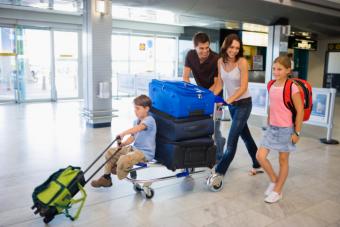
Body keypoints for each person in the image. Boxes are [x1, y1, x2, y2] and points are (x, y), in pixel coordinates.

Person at [208, 34, 262, 187]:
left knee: (232, 140)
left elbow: (244, 87)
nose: (234, 50)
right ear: (226, 46)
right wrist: (209, 96)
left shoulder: (242, 62)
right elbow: (220, 84)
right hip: (232, 105)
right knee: (246, 136)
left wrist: (228, 100)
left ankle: (219, 173)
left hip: (244, 104)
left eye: (237, 48)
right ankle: (257, 163)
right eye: (232, 47)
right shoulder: (220, 61)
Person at [256, 55, 303, 203]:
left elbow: (300, 111)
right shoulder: (271, 85)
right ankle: (274, 180)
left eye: (280, 69)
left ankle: (278, 190)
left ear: (288, 70)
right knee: (260, 156)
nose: (276, 72)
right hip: (272, 128)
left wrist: (297, 132)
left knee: (283, 160)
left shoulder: (292, 87)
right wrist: (269, 121)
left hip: (286, 129)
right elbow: (272, 105)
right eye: (274, 68)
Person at [91, 95, 156, 187]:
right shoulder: (136, 121)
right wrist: (123, 144)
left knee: (123, 159)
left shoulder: (150, 120)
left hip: (144, 153)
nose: (135, 111)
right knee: (110, 152)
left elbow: (138, 129)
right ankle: (106, 178)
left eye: (138, 108)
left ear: (146, 109)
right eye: (134, 109)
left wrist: (123, 133)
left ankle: (119, 168)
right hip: (133, 149)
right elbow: (133, 137)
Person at [182, 32, 226, 161]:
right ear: (195, 47)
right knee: (201, 126)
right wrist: (191, 94)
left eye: (207, 47)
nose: (205, 51)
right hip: (201, 95)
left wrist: (205, 95)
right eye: (201, 48)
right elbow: (185, 77)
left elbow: (218, 83)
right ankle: (206, 149)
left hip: (216, 96)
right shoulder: (190, 55)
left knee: (214, 127)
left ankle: (219, 156)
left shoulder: (216, 59)